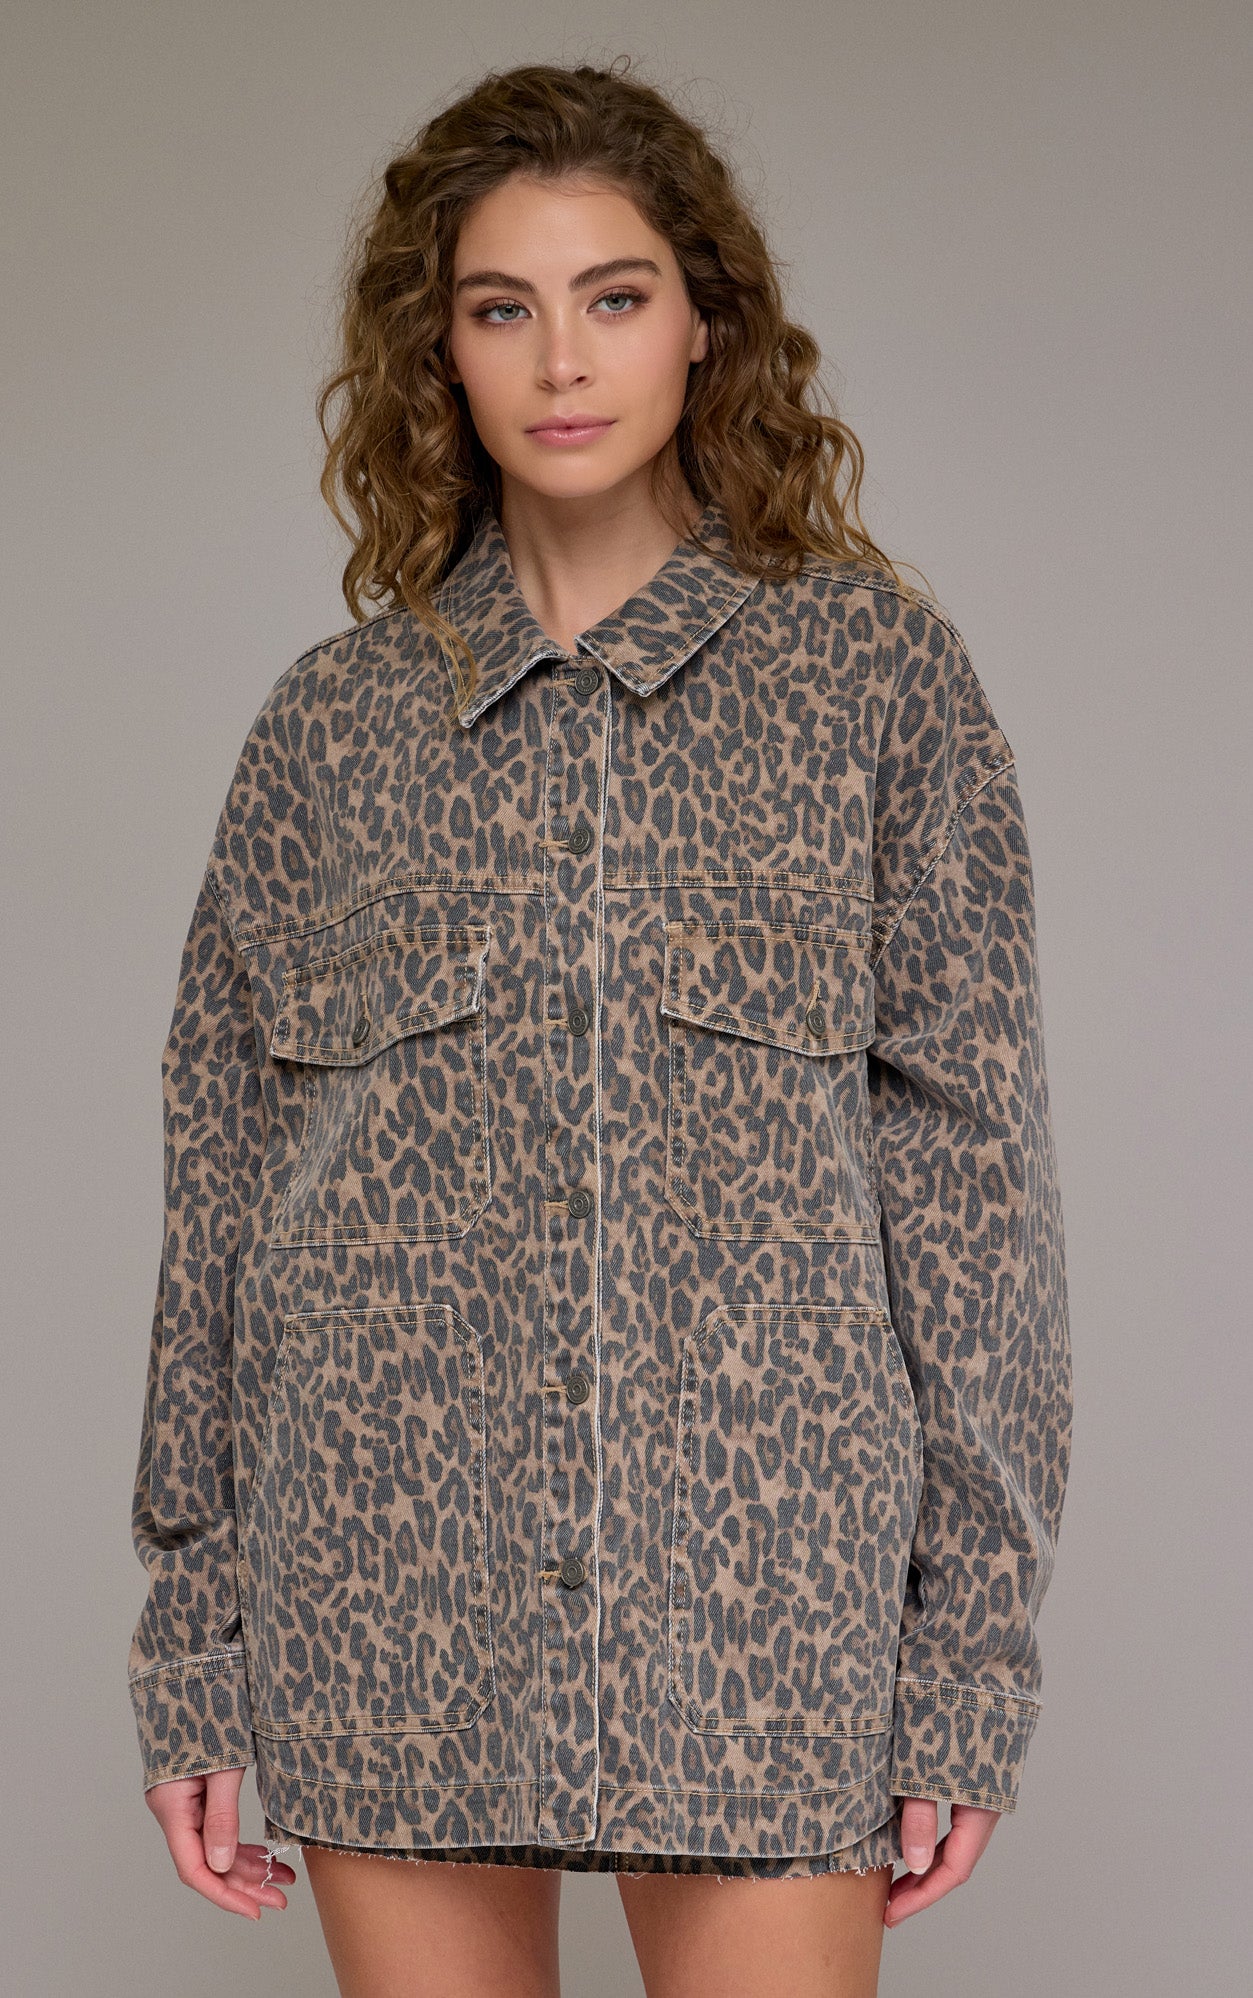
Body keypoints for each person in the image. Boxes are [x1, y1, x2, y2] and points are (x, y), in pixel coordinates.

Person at [127, 57, 1073, 1998]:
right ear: (439, 352)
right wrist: (194, 1646)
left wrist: (967, 1660)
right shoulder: (328, 732)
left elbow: (972, 1196)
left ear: (703, 323)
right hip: (387, 1599)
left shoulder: (875, 684)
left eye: (614, 295)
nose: (562, 359)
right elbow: (221, 1208)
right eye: (502, 307)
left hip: (760, 1611)